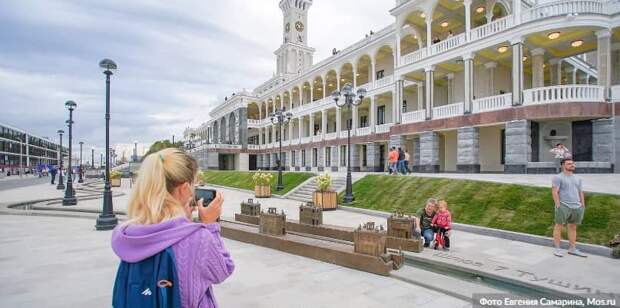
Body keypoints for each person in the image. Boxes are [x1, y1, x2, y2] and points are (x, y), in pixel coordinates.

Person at [111, 148, 234, 307]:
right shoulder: (197, 238)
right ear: (184, 189)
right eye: (193, 185)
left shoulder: (129, 234)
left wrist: (183, 220)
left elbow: (164, 233)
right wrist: (210, 225)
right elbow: (223, 269)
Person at [551, 158, 586, 258]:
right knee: (558, 226)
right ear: (563, 165)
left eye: (572, 163)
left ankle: (572, 248)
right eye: (569, 164)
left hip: (577, 206)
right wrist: (558, 205)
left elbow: (580, 192)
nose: (572, 165)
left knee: (573, 227)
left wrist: (582, 204)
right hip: (564, 205)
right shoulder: (558, 177)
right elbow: (554, 191)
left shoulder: (578, 178)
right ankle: (557, 249)